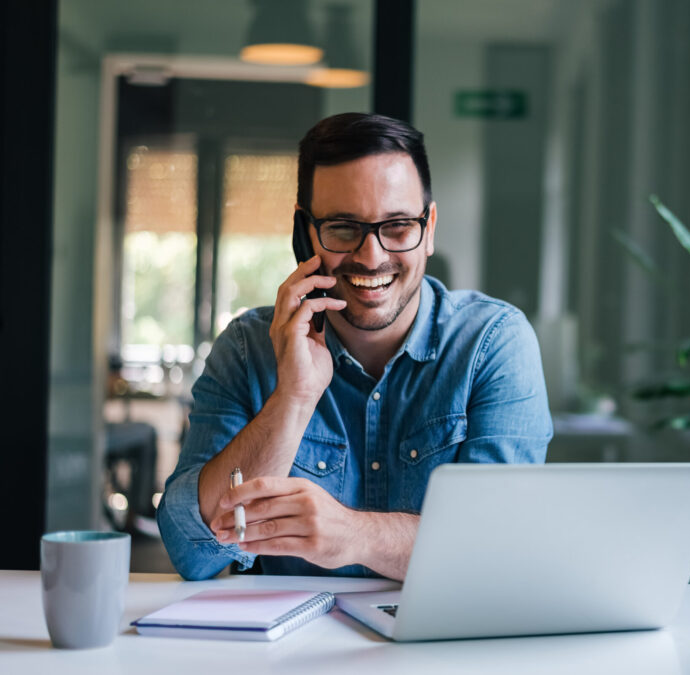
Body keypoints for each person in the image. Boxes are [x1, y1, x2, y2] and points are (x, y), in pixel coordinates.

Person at [157, 113, 552, 581]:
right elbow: (191, 552)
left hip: (441, 648)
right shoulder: (247, 348)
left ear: (429, 228)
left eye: (398, 226)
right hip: (288, 650)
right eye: (344, 228)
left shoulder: (493, 343)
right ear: (306, 233)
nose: (371, 256)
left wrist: (353, 535)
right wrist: (294, 399)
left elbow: (499, 549)